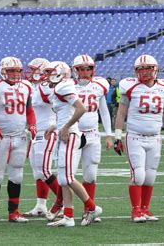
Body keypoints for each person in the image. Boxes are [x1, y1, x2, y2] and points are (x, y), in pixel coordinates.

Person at [114, 55, 164, 223]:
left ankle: (145, 209)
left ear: (155, 69)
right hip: (135, 136)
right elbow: (121, 113)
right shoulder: (130, 87)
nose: (145, 72)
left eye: (148, 68)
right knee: (138, 175)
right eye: (141, 69)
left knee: (150, 177)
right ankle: (135, 211)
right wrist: (117, 136)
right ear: (136, 71)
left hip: (155, 138)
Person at [41, 61, 102, 227]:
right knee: (62, 178)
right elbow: (66, 112)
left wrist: (67, 127)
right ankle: (68, 216)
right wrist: (56, 126)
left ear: (60, 73)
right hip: (64, 133)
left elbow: (81, 108)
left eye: (49, 72)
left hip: (71, 135)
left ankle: (92, 207)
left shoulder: (63, 87)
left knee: (67, 177)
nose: (46, 76)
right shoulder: (60, 87)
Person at [0, 57, 35, 224]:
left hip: (20, 136)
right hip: (1, 137)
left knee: (17, 175)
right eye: (11, 70)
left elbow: (29, 109)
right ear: (3, 71)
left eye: (18, 70)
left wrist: (32, 124)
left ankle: (13, 212)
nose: (15, 74)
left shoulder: (26, 86)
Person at [72, 55, 113, 221]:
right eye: (82, 69)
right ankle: (63, 207)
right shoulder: (68, 86)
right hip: (74, 134)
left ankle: (89, 209)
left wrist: (109, 134)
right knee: (68, 175)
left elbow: (103, 111)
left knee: (91, 175)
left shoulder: (99, 85)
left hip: (93, 134)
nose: (85, 72)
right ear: (75, 70)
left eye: (88, 68)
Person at [24, 58, 62, 218]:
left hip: (47, 131)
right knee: (38, 172)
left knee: (45, 170)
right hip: (35, 133)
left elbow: (60, 102)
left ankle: (64, 202)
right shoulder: (34, 86)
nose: (30, 72)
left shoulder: (47, 87)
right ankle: (41, 205)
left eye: (33, 69)